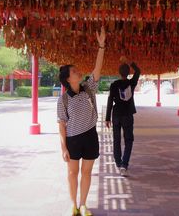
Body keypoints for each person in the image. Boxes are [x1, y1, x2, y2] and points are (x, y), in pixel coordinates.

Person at [57, 26, 106, 216]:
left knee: (86, 173)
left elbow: (97, 68)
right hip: (73, 140)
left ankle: (83, 204)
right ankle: (73, 205)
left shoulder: (89, 88)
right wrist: (64, 148)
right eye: (75, 71)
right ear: (68, 79)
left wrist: (101, 47)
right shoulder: (64, 99)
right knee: (72, 173)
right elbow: (62, 123)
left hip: (90, 136)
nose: (79, 72)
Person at [105, 57, 141, 177]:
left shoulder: (114, 85)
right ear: (128, 73)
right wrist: (130, 61)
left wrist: (107, 118)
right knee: (128, 140)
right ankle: (124, 165)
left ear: (119, 73)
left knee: (116, 139)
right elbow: (138, 71)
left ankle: (118, 162)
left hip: (116, 115)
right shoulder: (131, 83)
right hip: (127, 115)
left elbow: (110, 101)